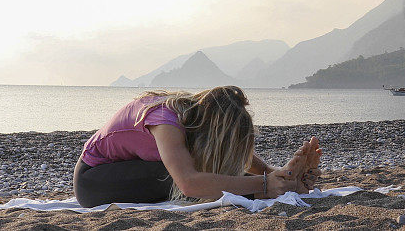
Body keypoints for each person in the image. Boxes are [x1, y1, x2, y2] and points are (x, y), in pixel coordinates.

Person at [73, 85, 322, 208]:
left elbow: (231, 151)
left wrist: (273, 173)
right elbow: (189, 183)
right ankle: (274, 188)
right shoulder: (165, 120)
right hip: (93, 181)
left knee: (209, 176)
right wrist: (265, 185)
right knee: (179, 179)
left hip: (133, 169)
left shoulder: (195, 116)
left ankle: (286, 185)